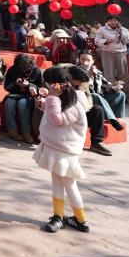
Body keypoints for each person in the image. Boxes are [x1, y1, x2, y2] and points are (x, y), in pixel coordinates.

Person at [33, 66, 90, 233]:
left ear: (57, 85)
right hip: (56, 147)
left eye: (49, 84)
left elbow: (58, 120)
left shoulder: (75, 102)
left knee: (69, 184)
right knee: (57, 182)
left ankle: (81, 220)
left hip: (65, 150)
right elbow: (55, 111)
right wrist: (43, 104)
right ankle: (58, 216)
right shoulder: (65, 97)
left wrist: (50, 99)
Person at [68, 66, 113, 157]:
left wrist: (87, 107)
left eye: (81, 84)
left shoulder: (82, 82)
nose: (80, 85)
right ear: (70, 77)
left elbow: (88, 95)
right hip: (64, 110)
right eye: (77, 84)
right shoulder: (58, 79)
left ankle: (96, 142)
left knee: (97, 110)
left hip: (80, 109)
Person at [3, 53, 44, 143]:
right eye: (21, 67)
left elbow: (41, 88)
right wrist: (15, 83)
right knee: (9, 103)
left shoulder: (36, 71)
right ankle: (12, 131)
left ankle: (26, 132)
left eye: (25, 67)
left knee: (22, 104)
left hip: (29, 96)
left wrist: (29, 85)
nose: (23, 69)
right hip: (14, 94)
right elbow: (6, 87)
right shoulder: (13, 70)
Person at [76, 51, 126, 120]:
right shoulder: (75, 71)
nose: (85, 62)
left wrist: (113, 86)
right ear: (79, 59)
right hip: (86, 98)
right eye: (83, 59)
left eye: (88, 60)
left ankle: (116, 116)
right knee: (94, 95)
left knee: (120, 94)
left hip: (99, 96)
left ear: (93, 61)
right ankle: (112, 118)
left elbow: (104, 85)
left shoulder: (97, 72)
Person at [94, 15, 129, 83]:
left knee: (122, 70)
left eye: (115, 20)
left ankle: (123, 86)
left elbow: (128, 41)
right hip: (107, 52)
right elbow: (96, 40)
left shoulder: (124, 29)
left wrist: (121, 32)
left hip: (121, 52)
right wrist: (105, 41)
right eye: (111, 20)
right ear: (107, 21)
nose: (113, 22)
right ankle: (110, 87)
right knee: (109, 71)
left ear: (118, 21)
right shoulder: (102, 29)